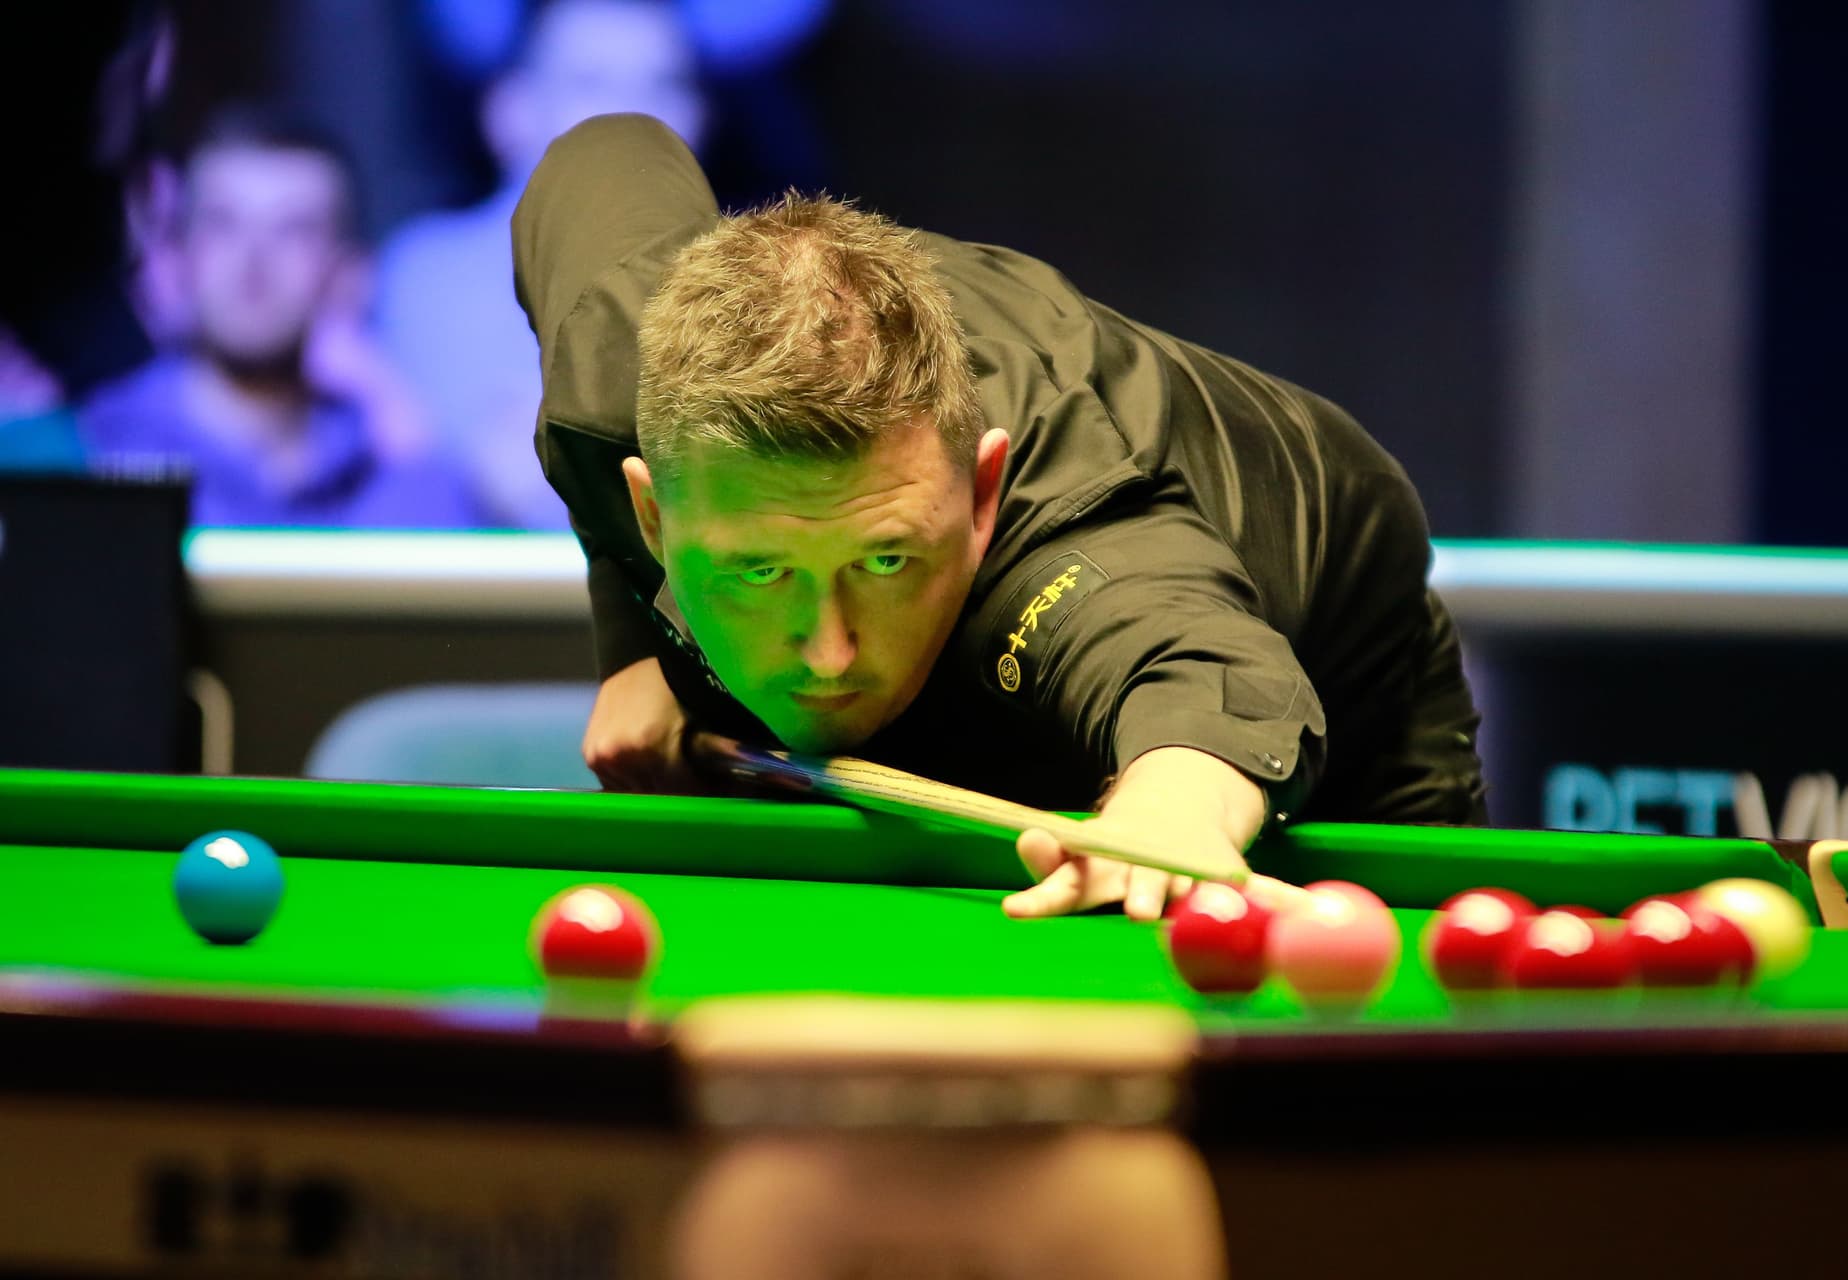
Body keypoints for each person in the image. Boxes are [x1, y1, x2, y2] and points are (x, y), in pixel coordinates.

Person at [513, 113, 1487, 919]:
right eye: (759, 570)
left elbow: (1200, 665)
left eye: (886, 561)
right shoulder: (608, 381)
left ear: (983, 492)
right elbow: (606, 149)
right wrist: (634, 636)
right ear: (652, 509)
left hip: (1338, 660)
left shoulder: (1066, 517)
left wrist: (1172, 805)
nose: (829, 653)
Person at [377, 0, 707, 529]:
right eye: (590, 82)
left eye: (664, 85)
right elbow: (460, 483)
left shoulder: (741, 286)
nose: (636, 117)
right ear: (511, 112)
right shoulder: (429, 276)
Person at [79, 108, 480, 529]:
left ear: (349, 275)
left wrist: (393, 407)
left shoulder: (386, 471)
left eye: (294, 230)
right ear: (180, 256)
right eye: (223, 223)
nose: (252, 260)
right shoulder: (91, 449)